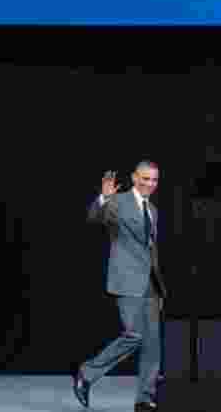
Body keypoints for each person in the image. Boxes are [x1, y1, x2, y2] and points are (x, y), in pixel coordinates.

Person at [72, 161, 167, 411]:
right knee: (134, 335)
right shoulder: (119, 201)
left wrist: (158, 285)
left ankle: (145, 399)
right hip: (126, 279)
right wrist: (103, 197)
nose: (150, 184)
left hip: (151, 285)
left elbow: (150, 250)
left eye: (154, 180)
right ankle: (87, 374)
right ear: (135, 177)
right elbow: (95, 216)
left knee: (152, 343)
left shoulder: (153, 210)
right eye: (145, 179)